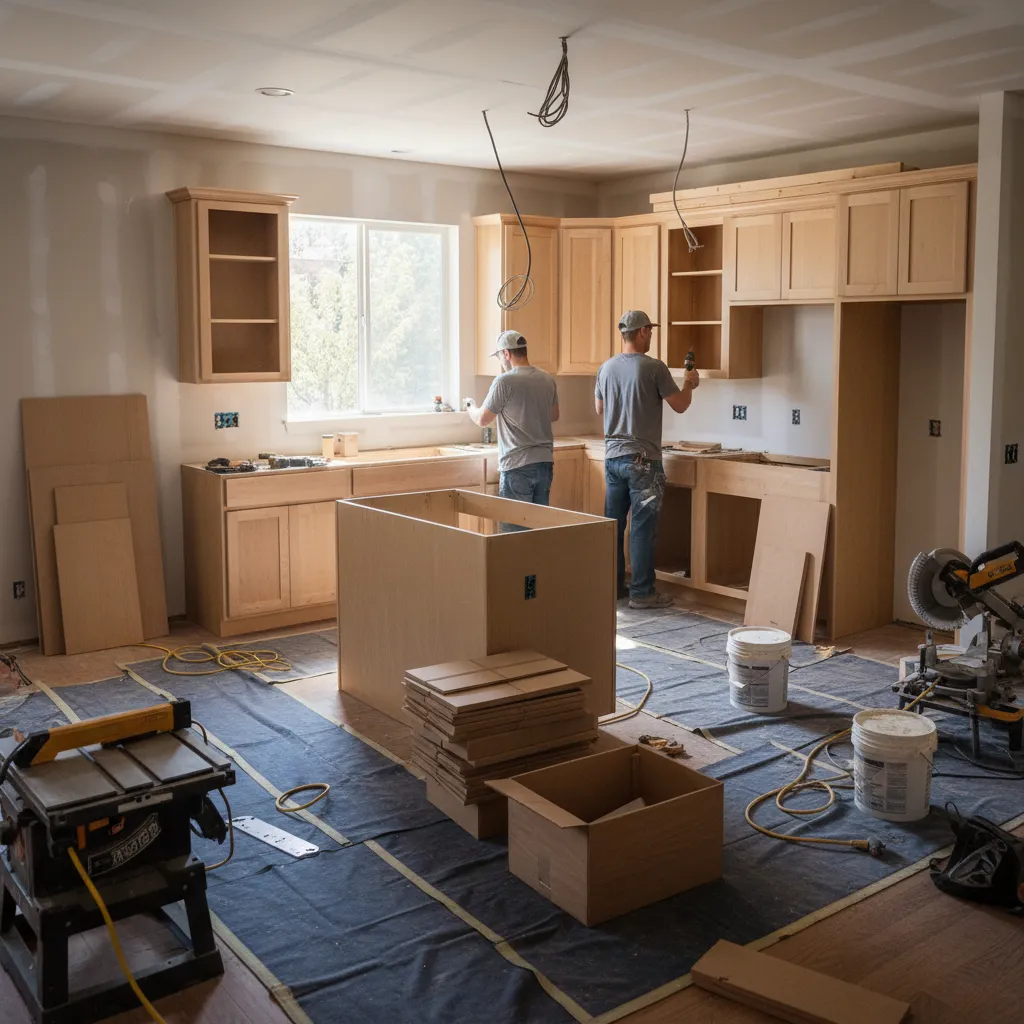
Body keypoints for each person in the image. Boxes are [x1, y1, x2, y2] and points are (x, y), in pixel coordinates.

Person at [595, 310, 699, 609]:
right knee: (642, 528)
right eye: (650, 331)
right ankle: (642, 593)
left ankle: (614, 588)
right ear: (641, 333)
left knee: (612, 526)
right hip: (642, 460)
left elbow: (600, 409)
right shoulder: (654, 368)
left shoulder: (606, 368)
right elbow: (679, 405)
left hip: (613, 458)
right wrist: (689, 383)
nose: (651, 335)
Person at [466, 331, 559, 515]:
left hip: (517, 465)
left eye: (500, 356)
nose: (501, 361)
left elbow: (482, 419)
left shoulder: (504, 381)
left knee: (513, 531)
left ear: (506, 354)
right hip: (544, 464)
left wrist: (470, 406)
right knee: (539, 525)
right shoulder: (547, 379)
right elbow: (554, 415)